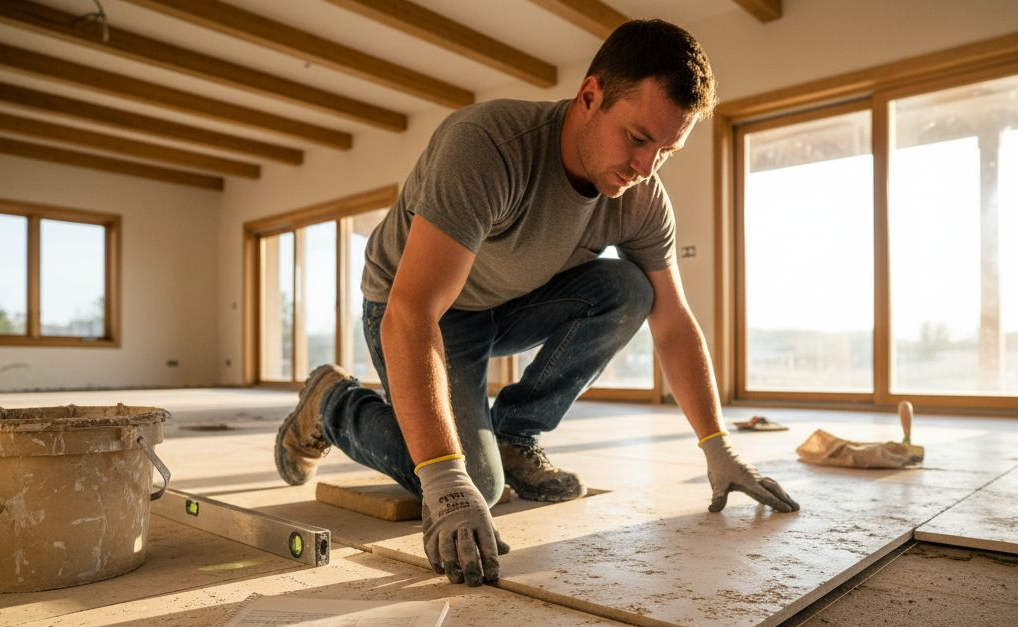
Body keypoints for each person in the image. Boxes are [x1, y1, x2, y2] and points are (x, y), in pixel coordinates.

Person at [275, 19, 800, 588]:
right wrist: (446, 481)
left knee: (631, 288)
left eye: (666, 151)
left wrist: (718, 447)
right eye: (637, 138)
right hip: (416, 308)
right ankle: (334, 405)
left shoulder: (643, 199)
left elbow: (672, 323)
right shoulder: (488, 148)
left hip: (508, 302)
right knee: (475, 484)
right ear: (590, 95)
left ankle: (513, 435)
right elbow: (413, 311)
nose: (646, 168)